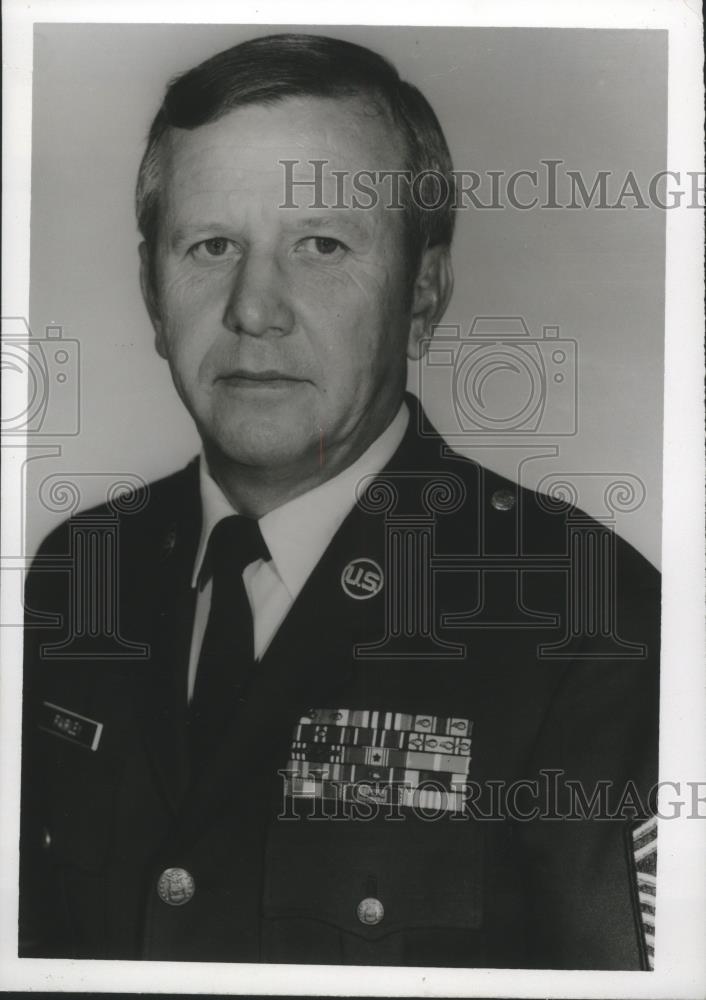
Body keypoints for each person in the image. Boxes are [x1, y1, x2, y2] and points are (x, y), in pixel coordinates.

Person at [19, 32, 659, 969]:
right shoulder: (77, 575)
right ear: (152, 297)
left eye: (320, 245)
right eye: (211, 245)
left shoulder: (589, 621)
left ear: (423, 294)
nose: (254, 308)